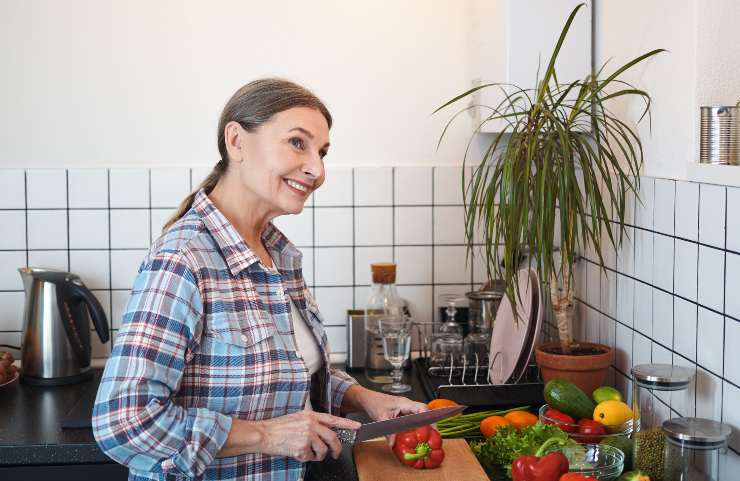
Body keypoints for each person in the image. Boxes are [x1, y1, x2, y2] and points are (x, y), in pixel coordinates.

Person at [92, 78, 427, 481]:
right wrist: (267, 436)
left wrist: (363, 397)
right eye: (297, 143)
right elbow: (123, 423)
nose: (317, 169)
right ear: (237, 141)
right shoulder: (183, 260)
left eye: (321, 152)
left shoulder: (278, 255)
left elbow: (285, 373)